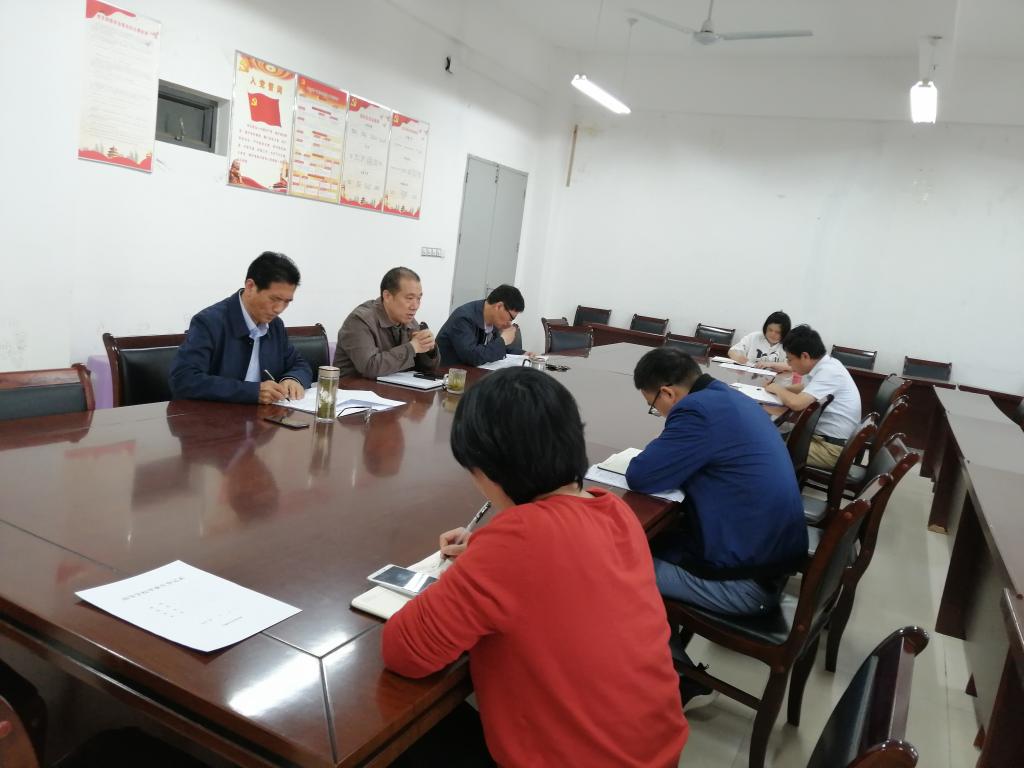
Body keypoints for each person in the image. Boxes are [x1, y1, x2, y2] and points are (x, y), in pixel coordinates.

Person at [382, 368, 688, 767]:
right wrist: (488, 550)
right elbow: (556, 564)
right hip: (657, 751)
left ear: (487, 468)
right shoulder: (614, 511)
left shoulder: (518, 543)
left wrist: (480, 561)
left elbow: (405, 651)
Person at [626, 347, 808, 706]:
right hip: (769, 562)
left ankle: (677, 682)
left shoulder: (696, 412)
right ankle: (663, 663)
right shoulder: (727, 397)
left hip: (745, 584)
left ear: (668, 393)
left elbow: (641, 475)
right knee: (652, 540)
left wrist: (665, 445)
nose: (659, 413)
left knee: (616, 566)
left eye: (654, 406)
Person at [169, 252, 311, 404]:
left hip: (266, 415)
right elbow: (184, 379)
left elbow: (300, 364)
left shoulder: (275, 325)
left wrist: (292, 379)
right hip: (216, 415)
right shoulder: (209, 322)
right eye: (274, 299)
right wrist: (251, 392)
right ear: (250, 286)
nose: (279, 309)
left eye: (287, 302)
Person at [765, 324, 862, 469]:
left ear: (805, 356)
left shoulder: (829, 371)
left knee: (764, 447)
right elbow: (804, 388)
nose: (789, 364)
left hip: (831, 449)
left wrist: (777, 388)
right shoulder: (827, 364)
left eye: (790, 359)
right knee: (771, 433)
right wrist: (782, 389)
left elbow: (797, 403)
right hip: (822, 439)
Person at [333, 267, 440, 378]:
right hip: (353, 387)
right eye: (409, 298)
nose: (415, 306)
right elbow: (370, 367)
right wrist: (412, 348)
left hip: (394, 387)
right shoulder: (359, 320)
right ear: (387, 296)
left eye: (418, 299)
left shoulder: (410, 322)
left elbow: (425, 370)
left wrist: (428, 349)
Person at [435, 284, 525, 366]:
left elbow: (493, 347)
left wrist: (522, 354)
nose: (509, 323)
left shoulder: (493, 320)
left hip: (470, 371)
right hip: (447, 373)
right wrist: (503, 340)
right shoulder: (463, 318)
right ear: (499, 306)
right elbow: (472, 356)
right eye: (511, 318)